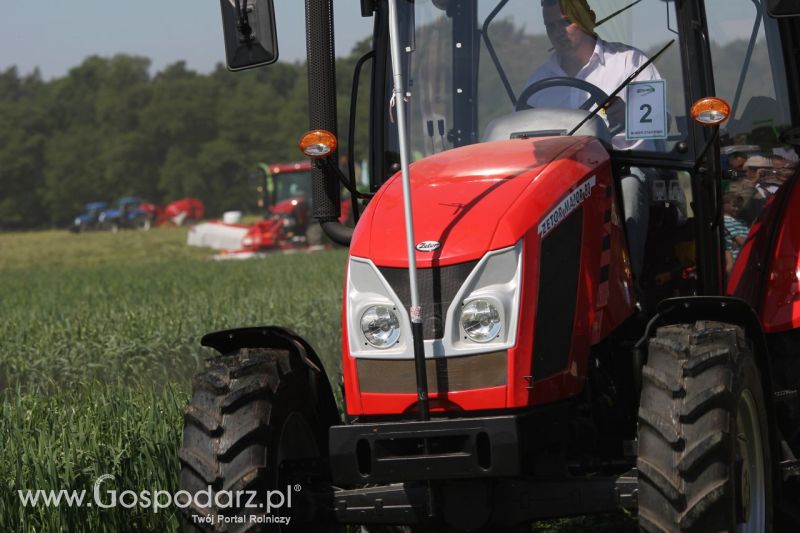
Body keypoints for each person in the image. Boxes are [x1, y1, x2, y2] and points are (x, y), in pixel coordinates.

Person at [523, 0, 663, 291]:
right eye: (550, 26)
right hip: (560, 178)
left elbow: (655, 128)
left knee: (631, 186)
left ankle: (627, 288)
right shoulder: (539, 81)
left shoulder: (630, 63)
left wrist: (627, 114)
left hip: (621, 167)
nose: (558, 32)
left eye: (566, 22)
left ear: (589, 19)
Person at [722, 193, 748, 273]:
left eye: (739, 206)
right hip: (735, 259)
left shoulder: (742, 222)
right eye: (734, 206)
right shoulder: (726, 220)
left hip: (743, 257)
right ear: (723, 205)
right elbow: (741, 241)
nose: (737, 209)